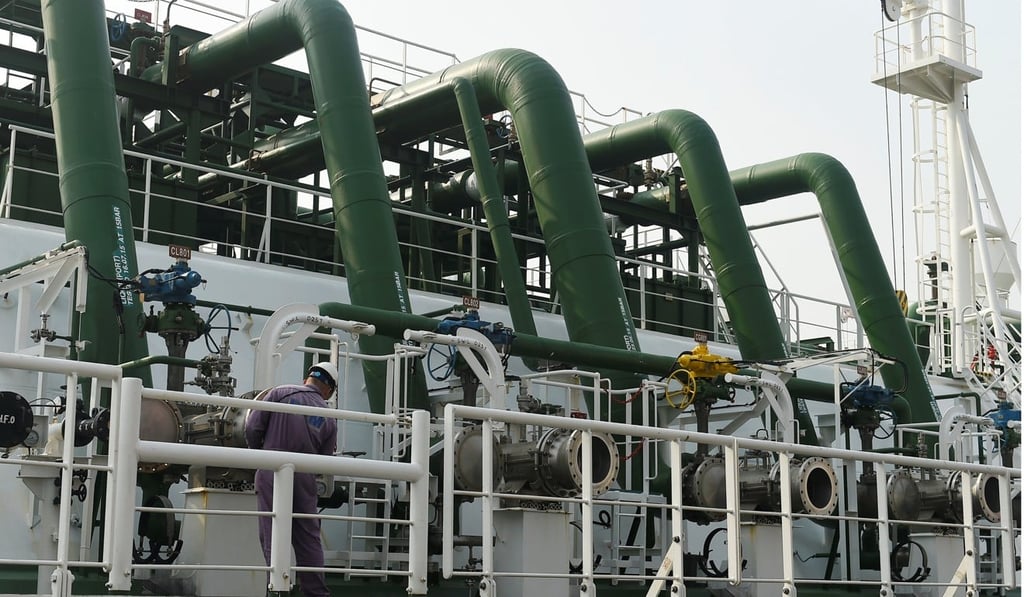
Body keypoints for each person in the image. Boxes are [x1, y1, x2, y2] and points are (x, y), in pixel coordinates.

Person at [245, 362, 339, 597]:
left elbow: (252, 427)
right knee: (308, 538)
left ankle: (277, 589)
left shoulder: (279, 392)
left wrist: (260, 454)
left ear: (308, 379)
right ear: (328, 389)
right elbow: (325, 459)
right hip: (305, 478)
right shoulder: (329, 416)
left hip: (271, 472)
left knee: (271, 533)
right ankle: (316, 593)